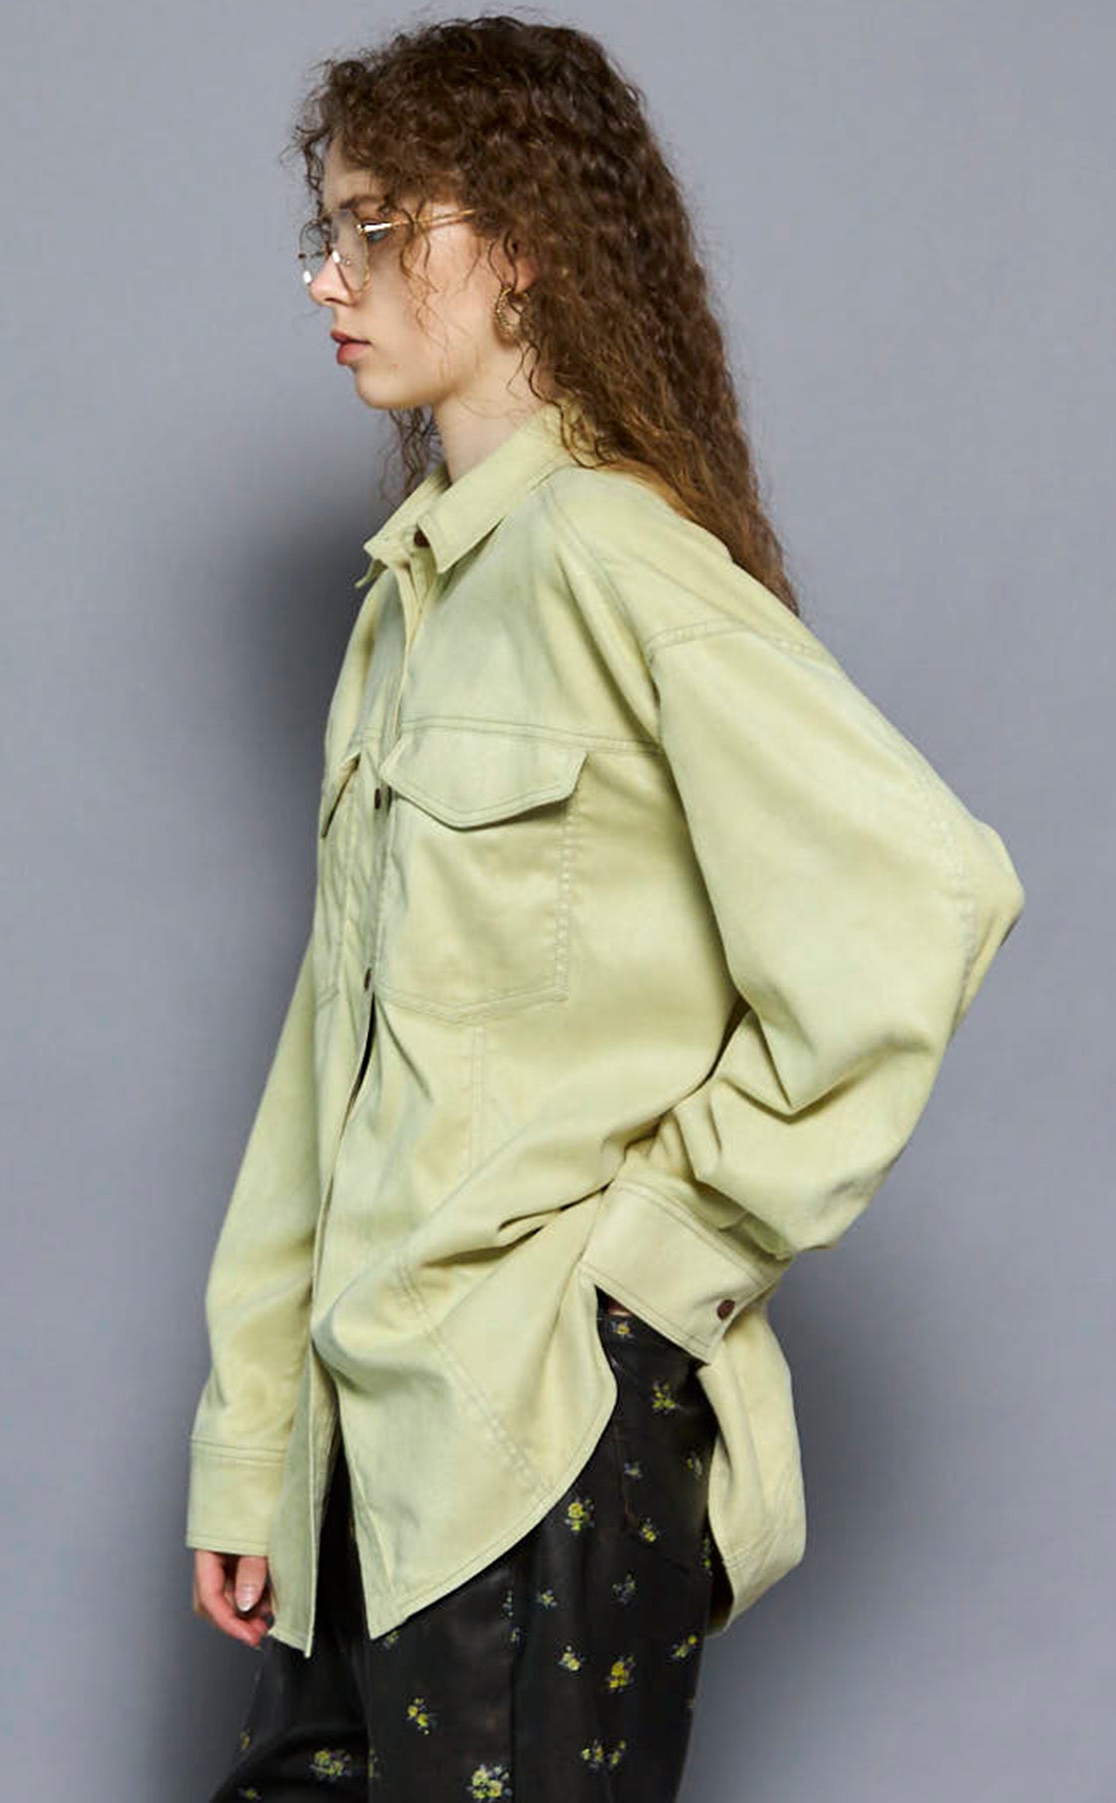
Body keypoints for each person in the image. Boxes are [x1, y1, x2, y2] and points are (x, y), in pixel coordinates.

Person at [187, 14, 1026, 1800]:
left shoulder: (614, 555)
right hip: (362, 1458)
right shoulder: (407, 607)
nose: (331, 278)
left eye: (378, 228)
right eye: (327, 231)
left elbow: (924, 891)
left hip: (536, 1439)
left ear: (518, 248)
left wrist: (653, 1262)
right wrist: (254, 1446)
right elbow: (331, 1057)